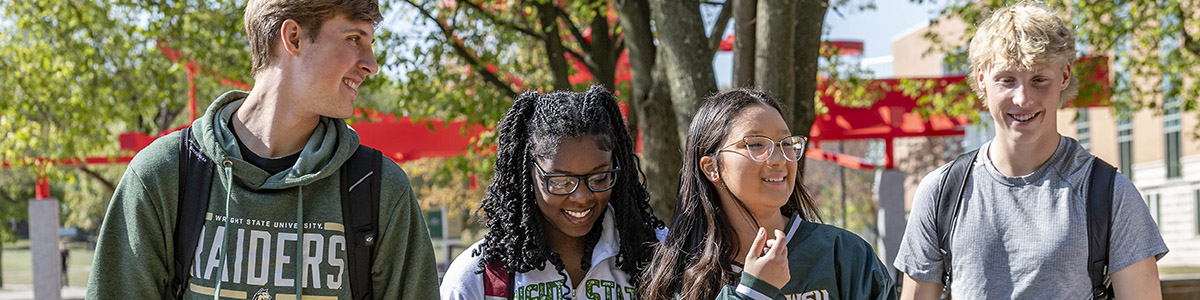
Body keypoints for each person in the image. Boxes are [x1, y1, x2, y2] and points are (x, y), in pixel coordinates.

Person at [86, 0, 440, 299]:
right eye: (354, 38)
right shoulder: (164, 175)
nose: (371, 64)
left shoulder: (378, 189)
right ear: (293, 37)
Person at [894, 3, 1168, 299]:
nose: (1023, 99)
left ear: (1064, 76)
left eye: (1039, 79)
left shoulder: (1110, 193)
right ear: (982, 78)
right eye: (1007, 80)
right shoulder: (941, 192)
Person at [640, 89, 897, 300]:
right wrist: (753, 292)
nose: (778, 159)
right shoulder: (677, 272)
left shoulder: (844, 254)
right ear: (711, 167)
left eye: (786, 144)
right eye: (755, 144)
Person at [439, 86, 666, 299]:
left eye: (598, 178)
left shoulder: (661, 256)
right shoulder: (478, 277)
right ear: (529, 175)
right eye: (561, 182)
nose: (582, 197)